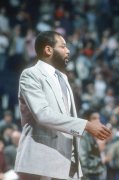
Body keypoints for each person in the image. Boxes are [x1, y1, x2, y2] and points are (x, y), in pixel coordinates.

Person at [14, 31, 111, 180]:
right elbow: (43, 114)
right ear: (48, 50)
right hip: (40, 161)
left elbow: (67, 119)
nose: (68, 50)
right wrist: (86, 125)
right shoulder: (31, 74)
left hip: (66, 161)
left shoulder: (63, 77)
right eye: (63, 46)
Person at [79, 109, 105, 180]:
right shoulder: (84, 136)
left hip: (96, 173)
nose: (98, 121)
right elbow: (82, 158)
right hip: (89, 174)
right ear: (87, 120)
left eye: (98, 118)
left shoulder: (91, 135)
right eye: (94, 118)